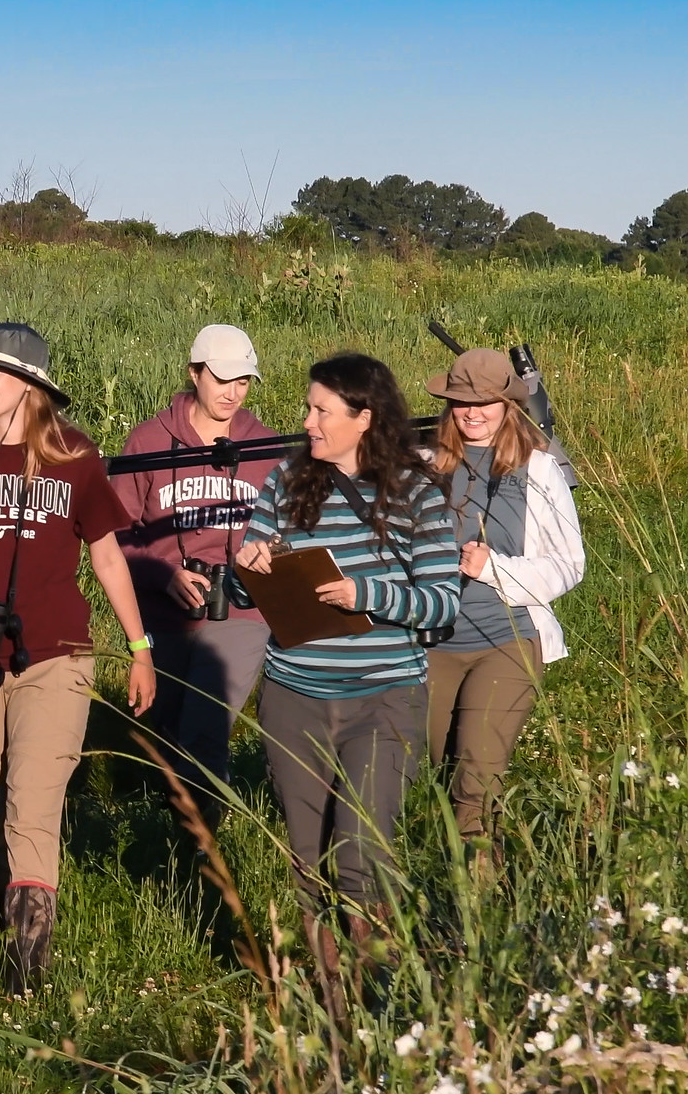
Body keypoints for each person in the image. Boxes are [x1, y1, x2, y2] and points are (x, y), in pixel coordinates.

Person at [0, 322, 157, 996]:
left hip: (56, 653)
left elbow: (106, 554)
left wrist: (138, 647)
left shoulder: (74, 456)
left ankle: (27, 964)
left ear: (30, 386)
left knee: (34, 802)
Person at [232, 352, 459, 985]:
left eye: (320, 410)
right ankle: (327, 998)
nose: (307, 421)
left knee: (361, 852)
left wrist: (368, 595)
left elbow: (441, 604)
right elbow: (249, 591)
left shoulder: (417, 495)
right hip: (294, 694)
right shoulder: (285, 481)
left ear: (364, 417)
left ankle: (378, 993)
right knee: (306, 856)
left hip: (384, 697)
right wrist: (247, 571)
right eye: (308, 407)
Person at [112, 324, 284, 824]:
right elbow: (116, 534)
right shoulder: (147, 441)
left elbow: (293, 530)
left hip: (243, 609)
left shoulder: (267, 447)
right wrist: (164, 573)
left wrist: (265, 555)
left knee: (204, 725)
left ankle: (206, 842)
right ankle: (172, 843)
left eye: (244, 382)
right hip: (166, 608)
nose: (232, 393)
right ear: (194, 373)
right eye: (221, 379)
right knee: (167, 734)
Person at [424, 348, 584, 857]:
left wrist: (494, 569)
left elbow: (569, 564)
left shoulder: (538, 468)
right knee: (427, 763)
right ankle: (431, 876)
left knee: (476, 777)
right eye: (461, 402)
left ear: (508, 404)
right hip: (432, 641)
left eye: (485, 402)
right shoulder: (423, 464)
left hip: (509, 639)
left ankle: (478, 910)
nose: (472, 413)